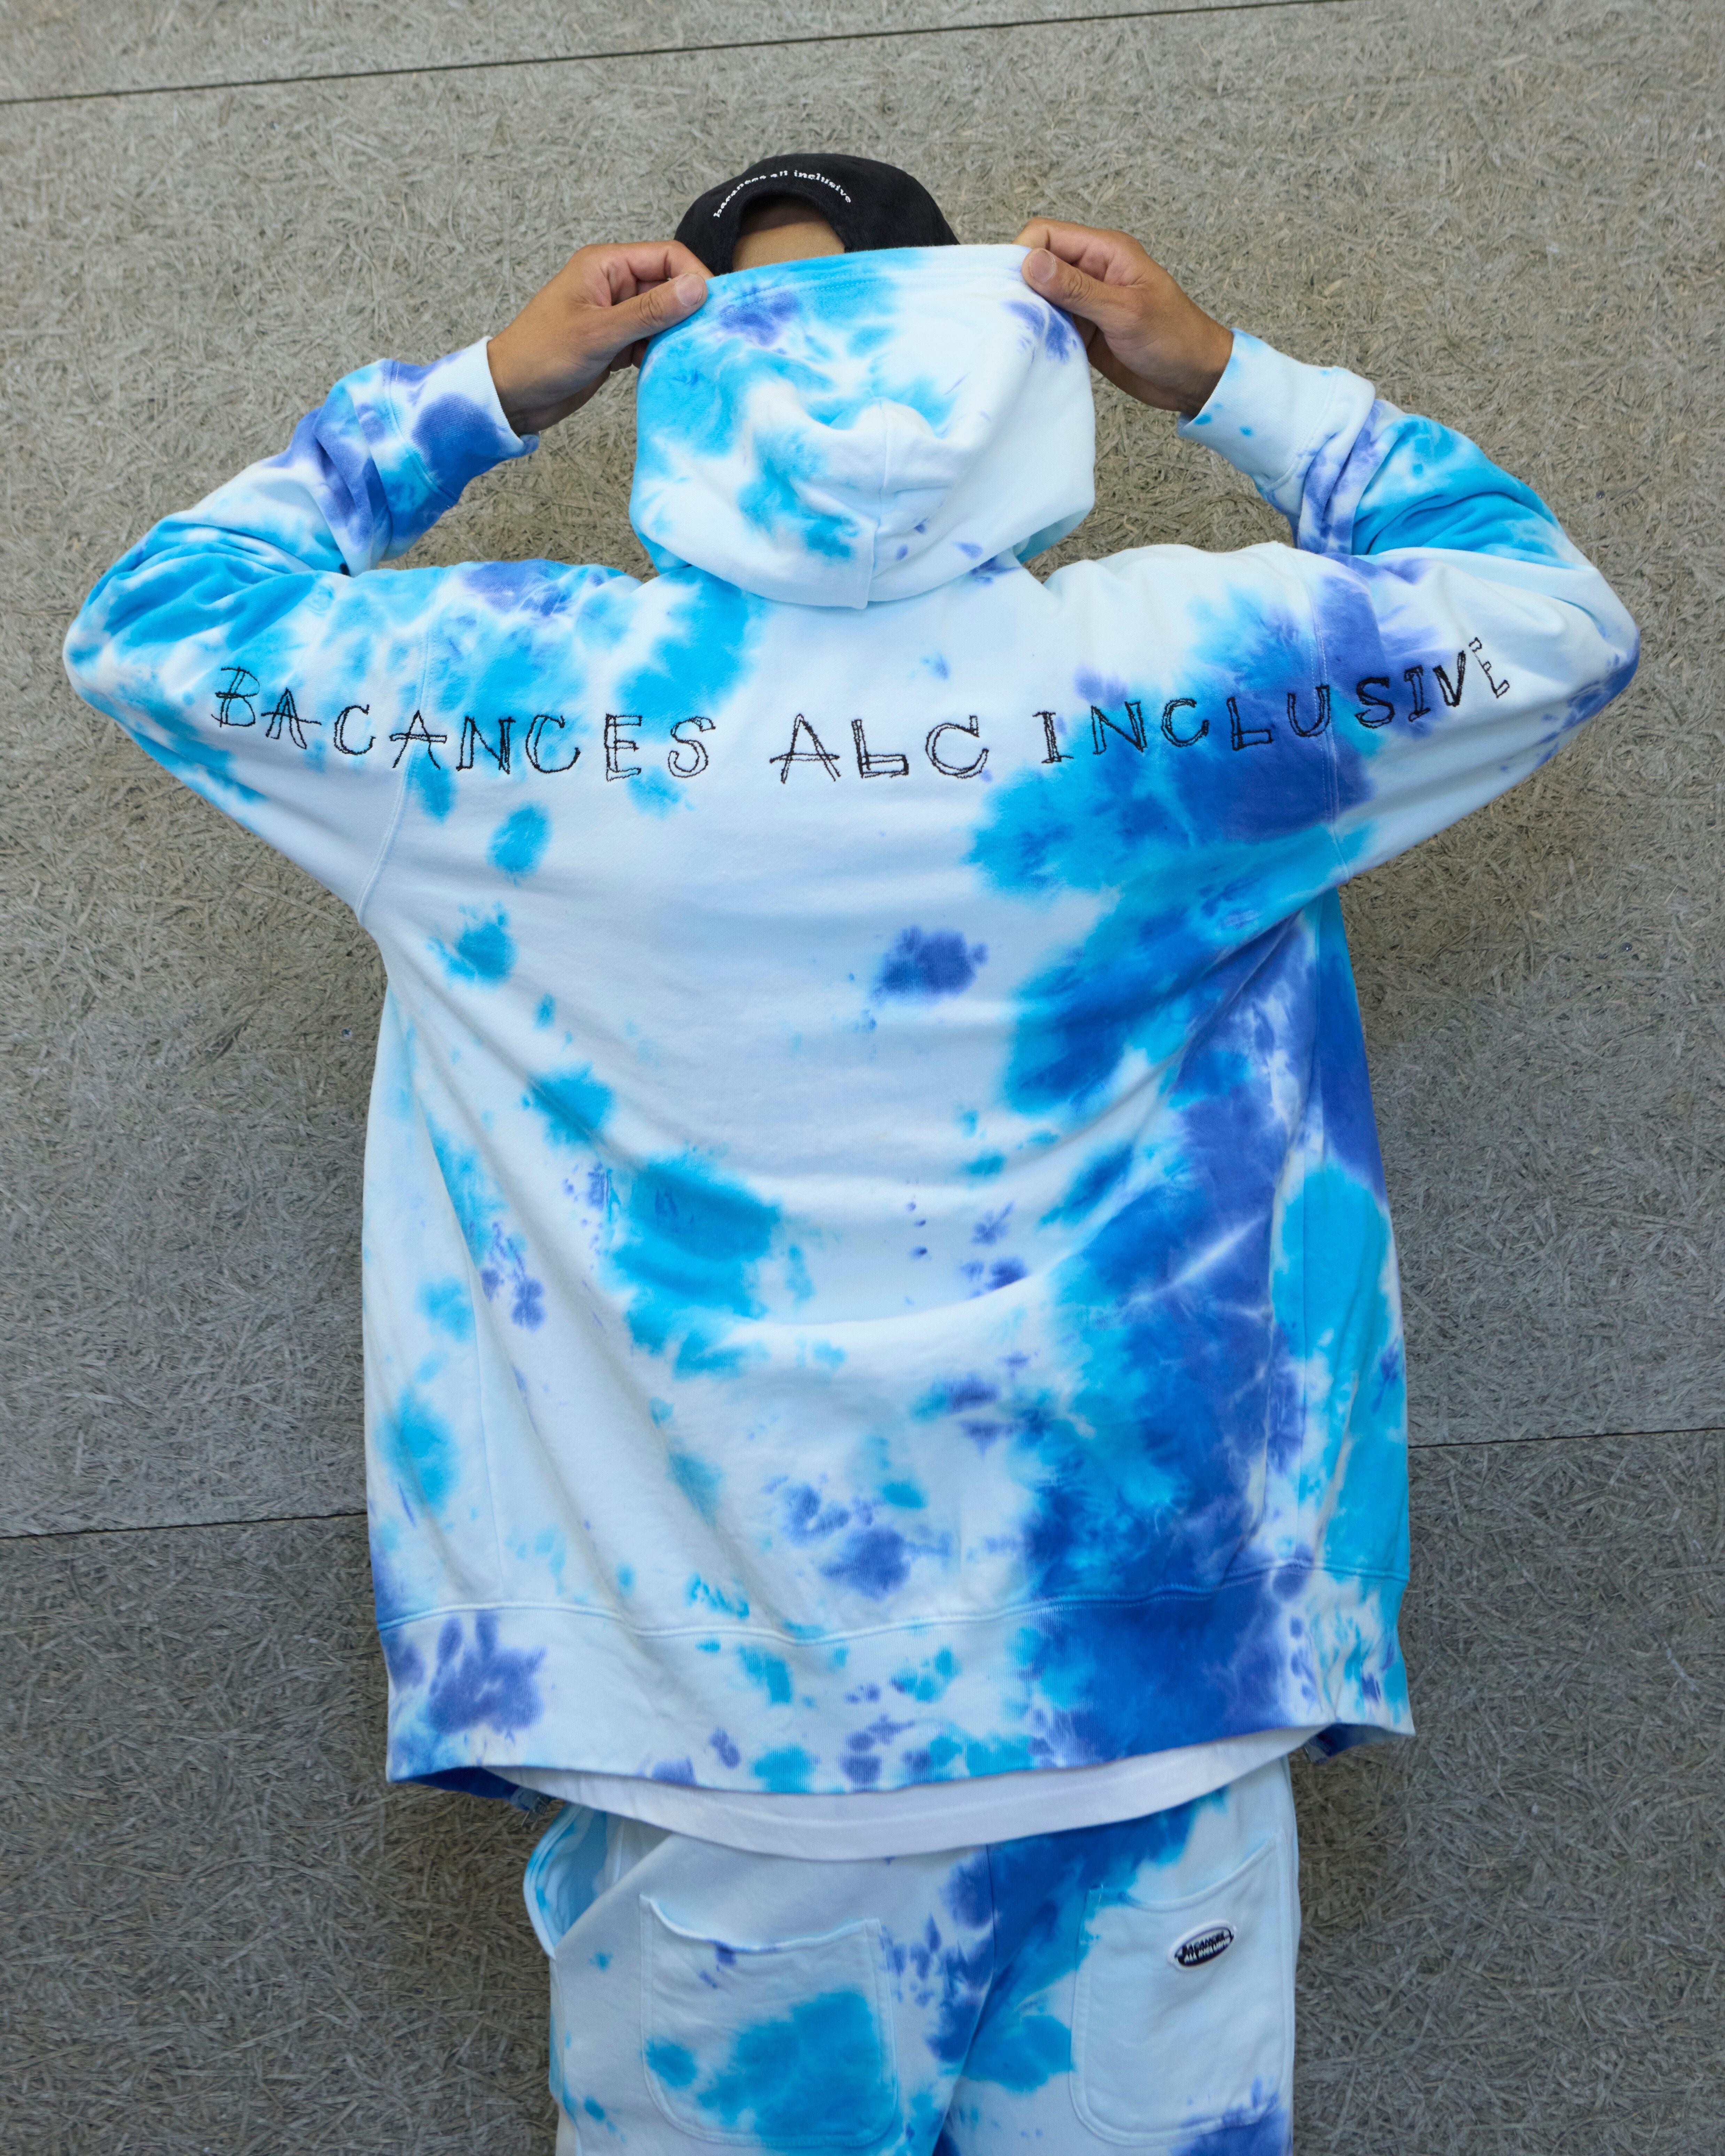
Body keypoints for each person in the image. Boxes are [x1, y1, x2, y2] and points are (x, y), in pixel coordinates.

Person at [64, 149, 1636, 2152]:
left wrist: (487, 390)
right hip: (1146, 1682)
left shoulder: (506, 707)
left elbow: (157, 620)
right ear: (1017, 350)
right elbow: (1552, 613)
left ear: (672, 386)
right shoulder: (1194, 685)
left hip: (729, 1723)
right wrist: (1222, 376)